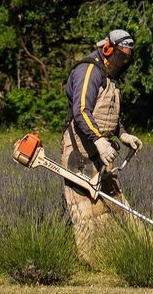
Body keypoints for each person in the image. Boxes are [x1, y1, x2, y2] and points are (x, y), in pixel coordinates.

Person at [60, 29, 143, 263]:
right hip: (81, 149)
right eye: (122, 57)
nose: (124, 62)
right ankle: (92, 262)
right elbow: (81, 111)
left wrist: (123, 134)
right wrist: (98, 140)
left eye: (128, 58)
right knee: (85, 208)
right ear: (109, 50)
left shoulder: (111, 78)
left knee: (114, 201)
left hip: (103, 150)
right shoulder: (89, 71)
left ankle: (121, 256)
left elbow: (108, 115)